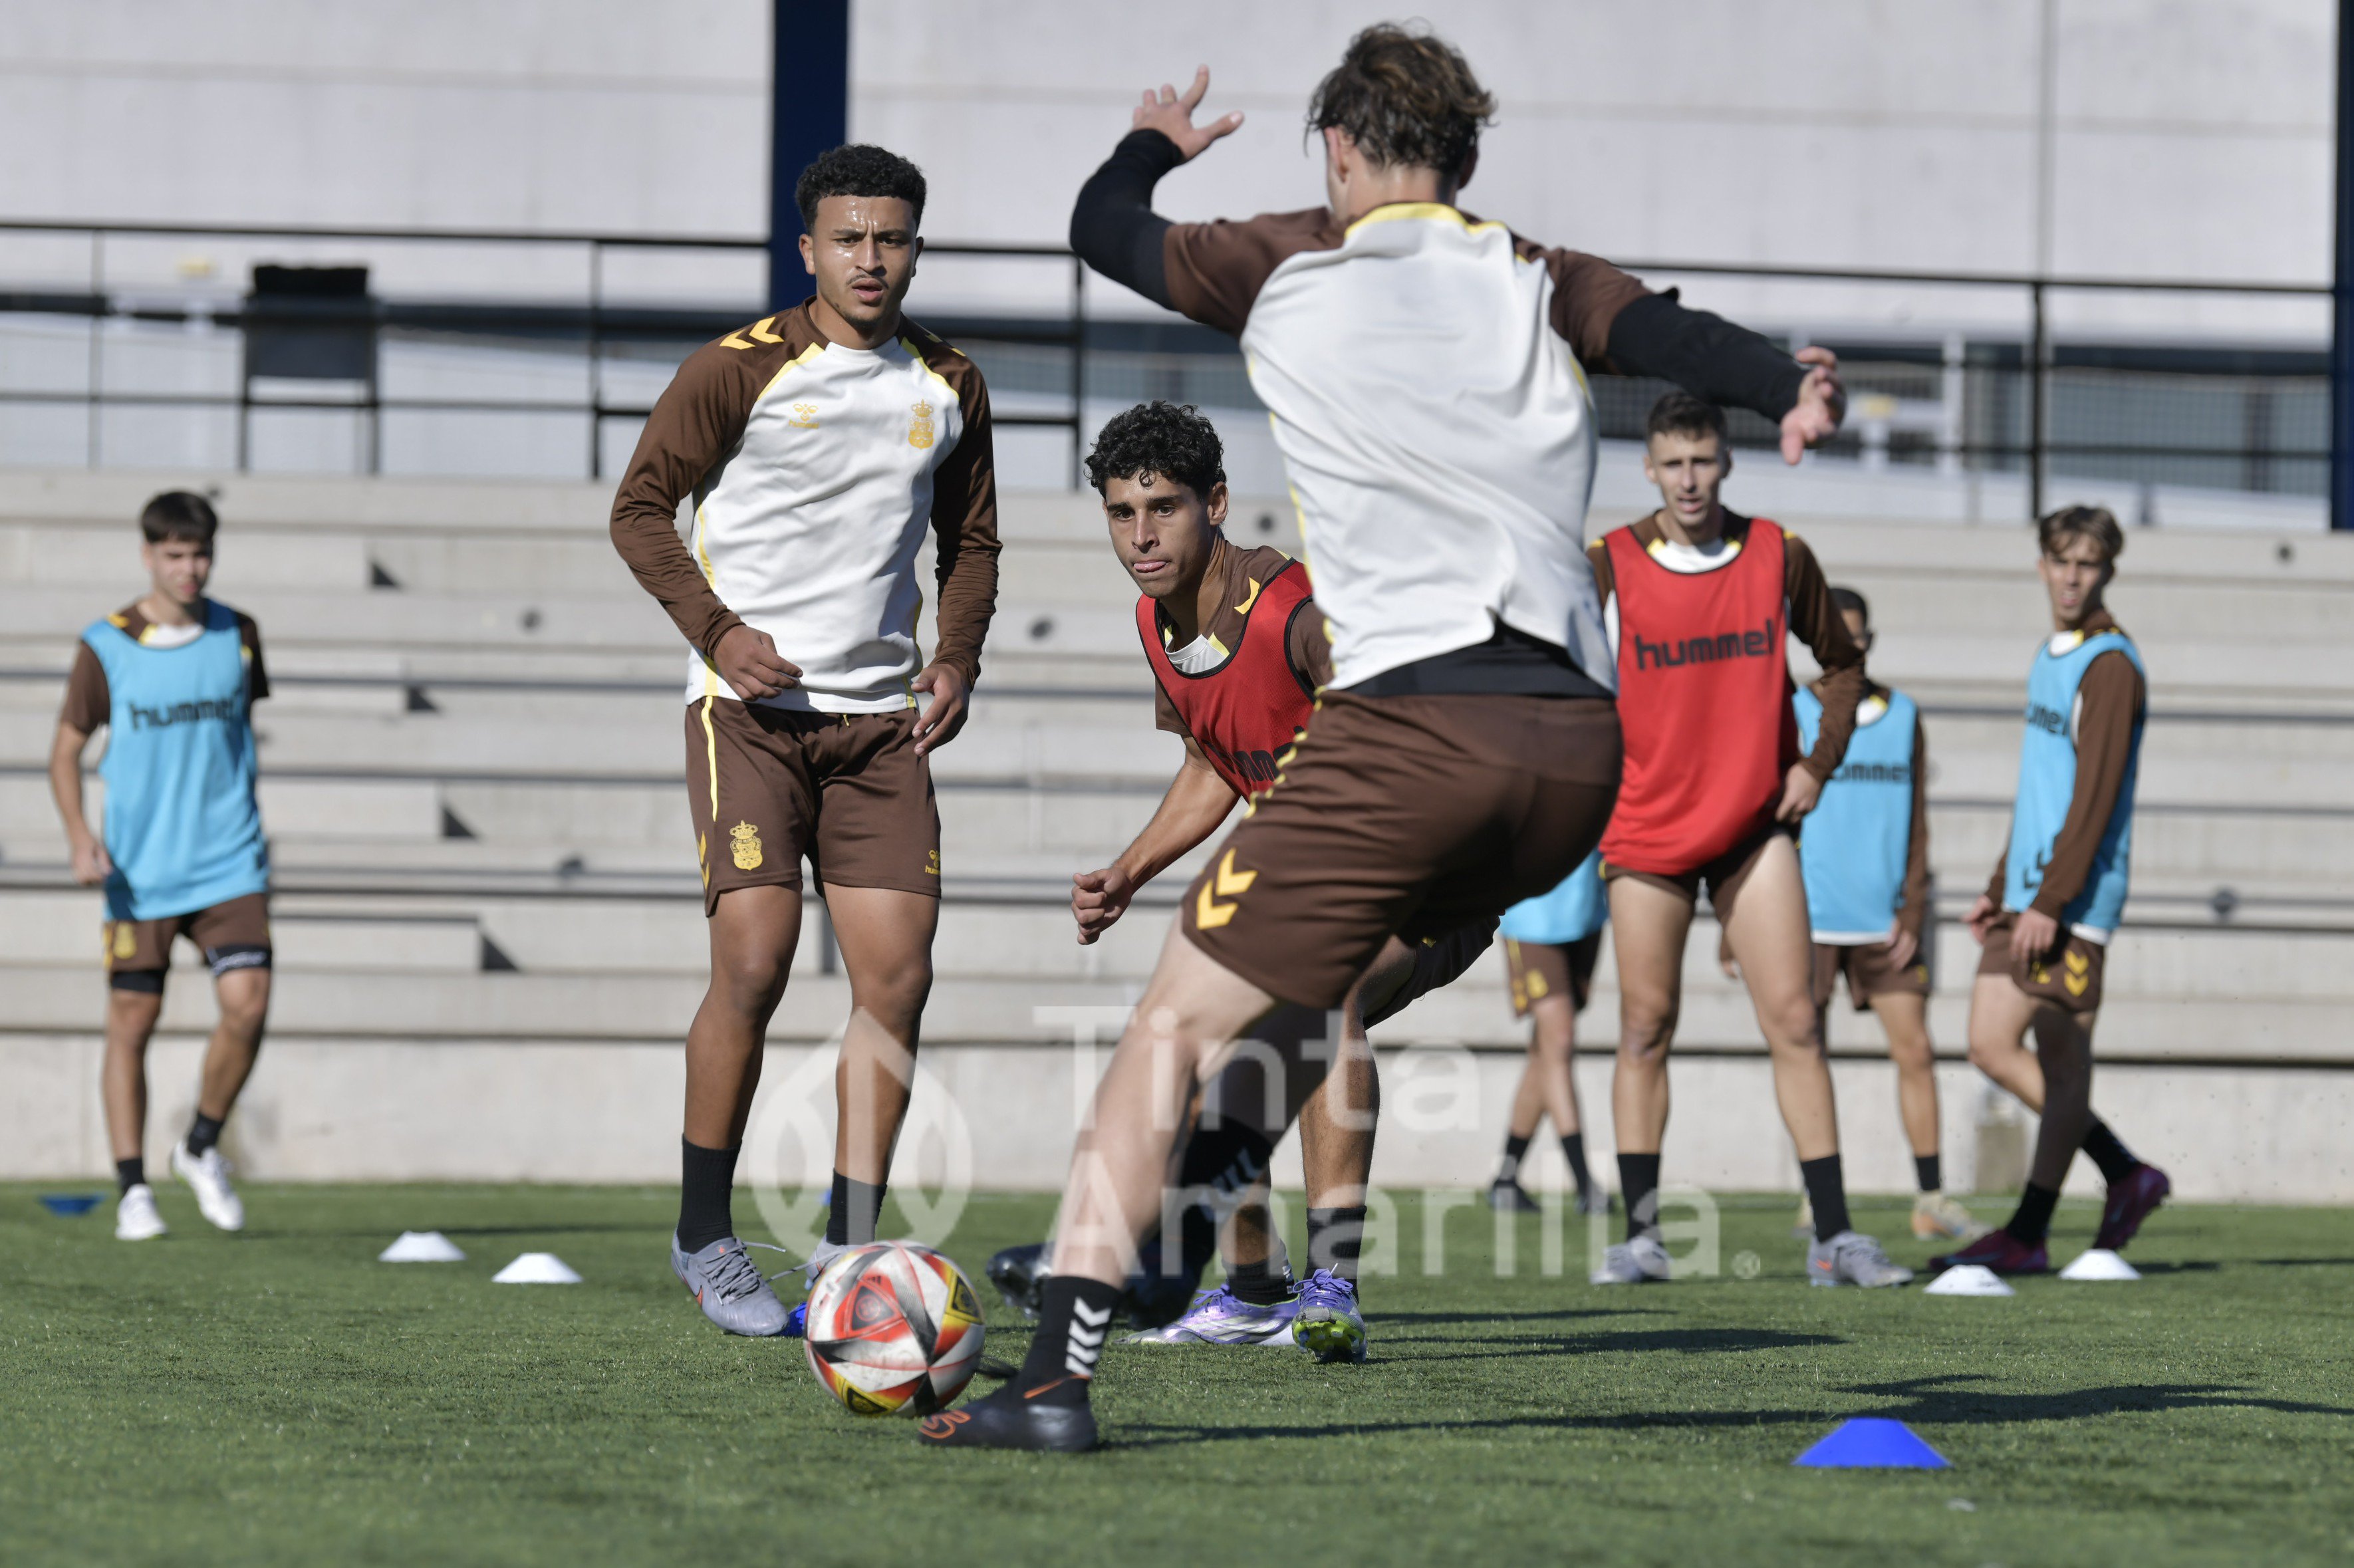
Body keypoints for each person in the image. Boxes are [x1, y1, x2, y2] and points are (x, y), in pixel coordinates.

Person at [924, 23, 1843, 1452]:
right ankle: (1190, 1229)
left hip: (1415, 723)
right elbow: (1673, 338)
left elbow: (1103, 229)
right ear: (1463, 160)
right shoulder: (1537, 274)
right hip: (1573, 754)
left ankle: (1055, 1377)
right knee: (1310, 993)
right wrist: (1790, 387)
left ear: (1341, 151)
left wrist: (1154, 144)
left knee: (1169, 1023)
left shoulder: (1294, 259)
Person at [996, 400, 1497, 1361]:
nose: (1142, 535)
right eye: (1122, 512)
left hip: (1433, 870)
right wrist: (1131, 869)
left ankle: (1334, 1287)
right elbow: (1213, 761)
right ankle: (1256, 1290)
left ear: (1216, 504)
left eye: (1164, 508)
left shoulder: (1295, 611)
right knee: (1205, 1039)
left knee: (1316, 992)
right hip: (1317, 885)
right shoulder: (1158, 623)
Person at [610, 144, 999, 1335]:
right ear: (809, 249)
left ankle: (849, 1243)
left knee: (899, 979)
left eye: (893, 237)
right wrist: (720, 633)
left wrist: (957, 657)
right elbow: (638, 509)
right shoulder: (736, 368)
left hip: (880, 729)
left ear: (916, 248)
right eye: (849, 237)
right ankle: (704, 1234)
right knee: (756, 961)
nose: (871, 257)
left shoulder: (951, 380)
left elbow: (972, 542)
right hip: (749, 720)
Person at [1587, 393, 1909, 1291]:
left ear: (1726, 462)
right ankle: (1642, 1237)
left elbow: (1842, 666)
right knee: (1645, 1024)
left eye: (1703, 461)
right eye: (1673, 463)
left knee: (1796, 1020)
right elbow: (1559, 681)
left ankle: (1834, 1236)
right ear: (1649, 468)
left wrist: (1819, 763)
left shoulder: (1778, 553)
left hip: (1755, 826)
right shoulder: (1607, 564)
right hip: (1646, 827)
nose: (1689, 479)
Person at [1933, 506, 2170, 1274]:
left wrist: (2049, 901)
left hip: (2072, 900)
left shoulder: (2110, 665)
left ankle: (2035, 1229)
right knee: (2010, 1050)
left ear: (2108, 572)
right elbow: (2041, 789)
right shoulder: (2052, 652)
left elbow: (2094, 799)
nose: (2072, 577)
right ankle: (2119, 1178)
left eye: (2087, 563)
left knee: (2037, 1058)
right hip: (2033, 892)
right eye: (2061, 561)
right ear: (2042, 565)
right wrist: (2001, 885)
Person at [51, 491, 271, 1242]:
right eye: (175, 555)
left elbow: (237, 736)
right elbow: (65, 751)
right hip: (141, 872)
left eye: (200, 554)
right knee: (133, 1022)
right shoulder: (105, 644)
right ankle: (132, 1189)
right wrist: (79, 835)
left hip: (229, 862)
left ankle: (200, 1145)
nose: (189, 569)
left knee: (247, 1002)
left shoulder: (239, 634)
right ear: (148, 555)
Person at [1779, 587, 1982, 1242]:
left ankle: (1931, 1199)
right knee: (1806, 1053)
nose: (1849, 647)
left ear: (1871, 641)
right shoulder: (1792, 710)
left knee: (1916, 1050)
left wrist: (1913, 909)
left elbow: (1918, 820)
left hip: (1884, 921)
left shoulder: (1904, 716)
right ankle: (1817, 1197)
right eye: (1837, 637)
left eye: (1858, 636)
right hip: (1807, 918)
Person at [1490, 852, 1609, 1216]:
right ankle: (1585, 1183)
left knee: (1545, 1051)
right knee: (1559, 1040)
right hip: (1531, 913)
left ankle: (1506, 1180)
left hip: (1587, 907)